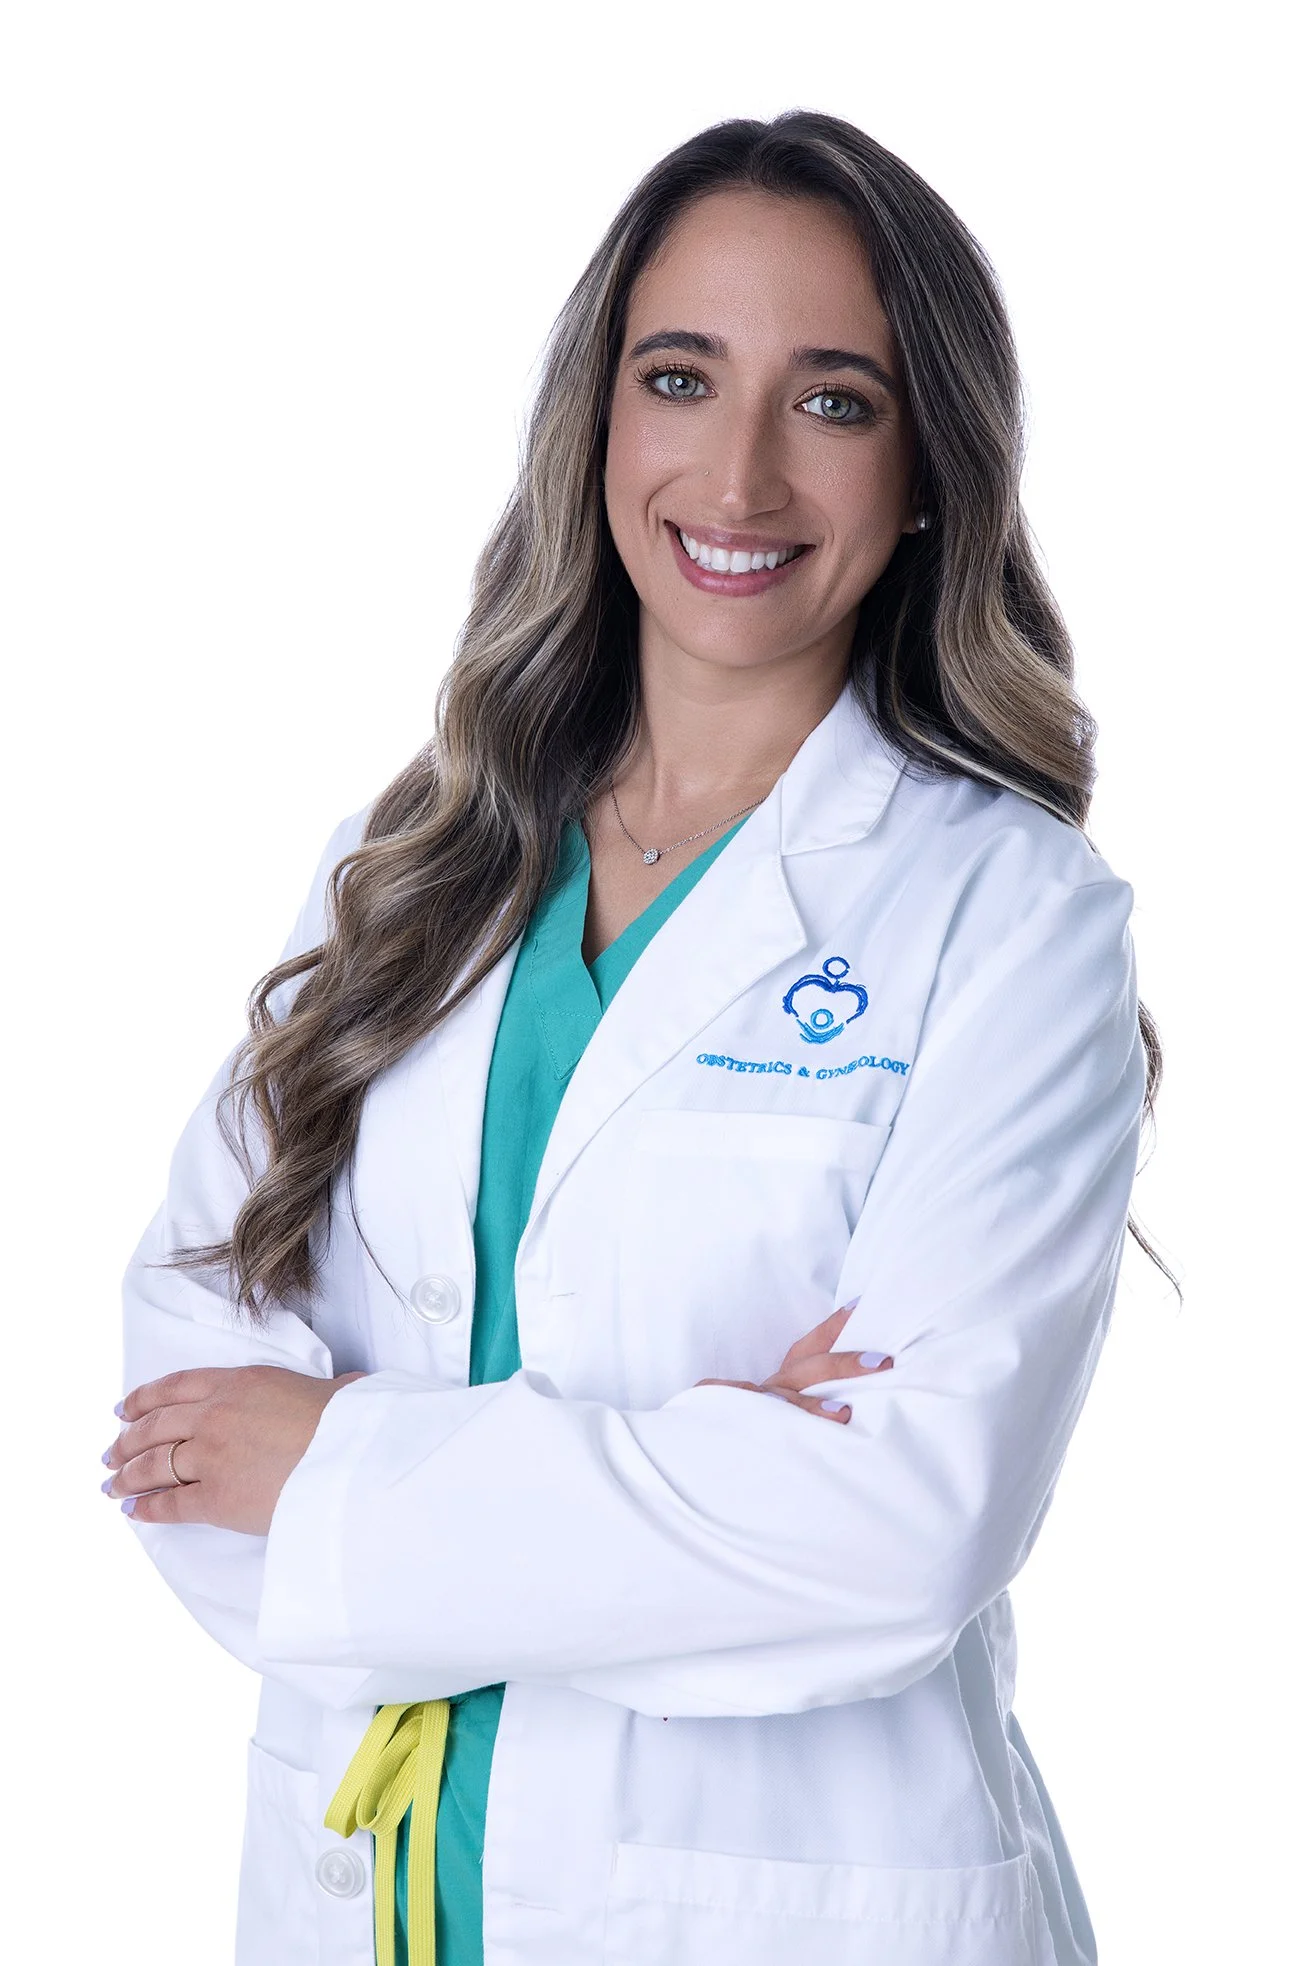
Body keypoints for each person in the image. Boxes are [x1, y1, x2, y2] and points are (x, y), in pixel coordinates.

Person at [103, 109, 1174, 1966]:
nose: (738, 474)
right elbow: (188, 1428)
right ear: (596, 421)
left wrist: (345, 1459)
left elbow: (897, 1533)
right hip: (370, 1892)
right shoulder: (406, 867)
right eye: (679, 378)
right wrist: (702, 1460)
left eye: (831, 400)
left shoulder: (1007, 919)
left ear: (928, 466)